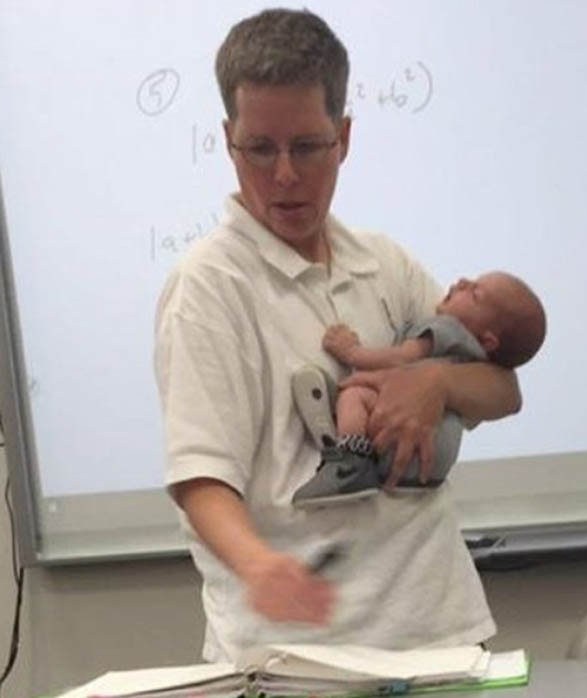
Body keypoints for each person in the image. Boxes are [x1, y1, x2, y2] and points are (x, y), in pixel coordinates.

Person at [154, 8, 521, 662]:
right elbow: (200, 476)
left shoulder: (384, 263)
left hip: (442, 637)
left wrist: (434, 380)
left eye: (307, 146)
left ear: (344, 137)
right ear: (228, 140)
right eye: (259, 150)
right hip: (297, 660)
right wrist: (262, 568)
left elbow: (501, 389)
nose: (284, 176)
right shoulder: (208, 287)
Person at [290, 270, 545, 502]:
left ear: (489, 340)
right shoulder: (475, 357)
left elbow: (401, 358)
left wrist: (352, 352)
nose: (463, 281)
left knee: (354, 395)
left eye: (475, 293)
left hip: (403, 444)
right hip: (435, 461)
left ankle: (350, 462)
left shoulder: (446, 327)